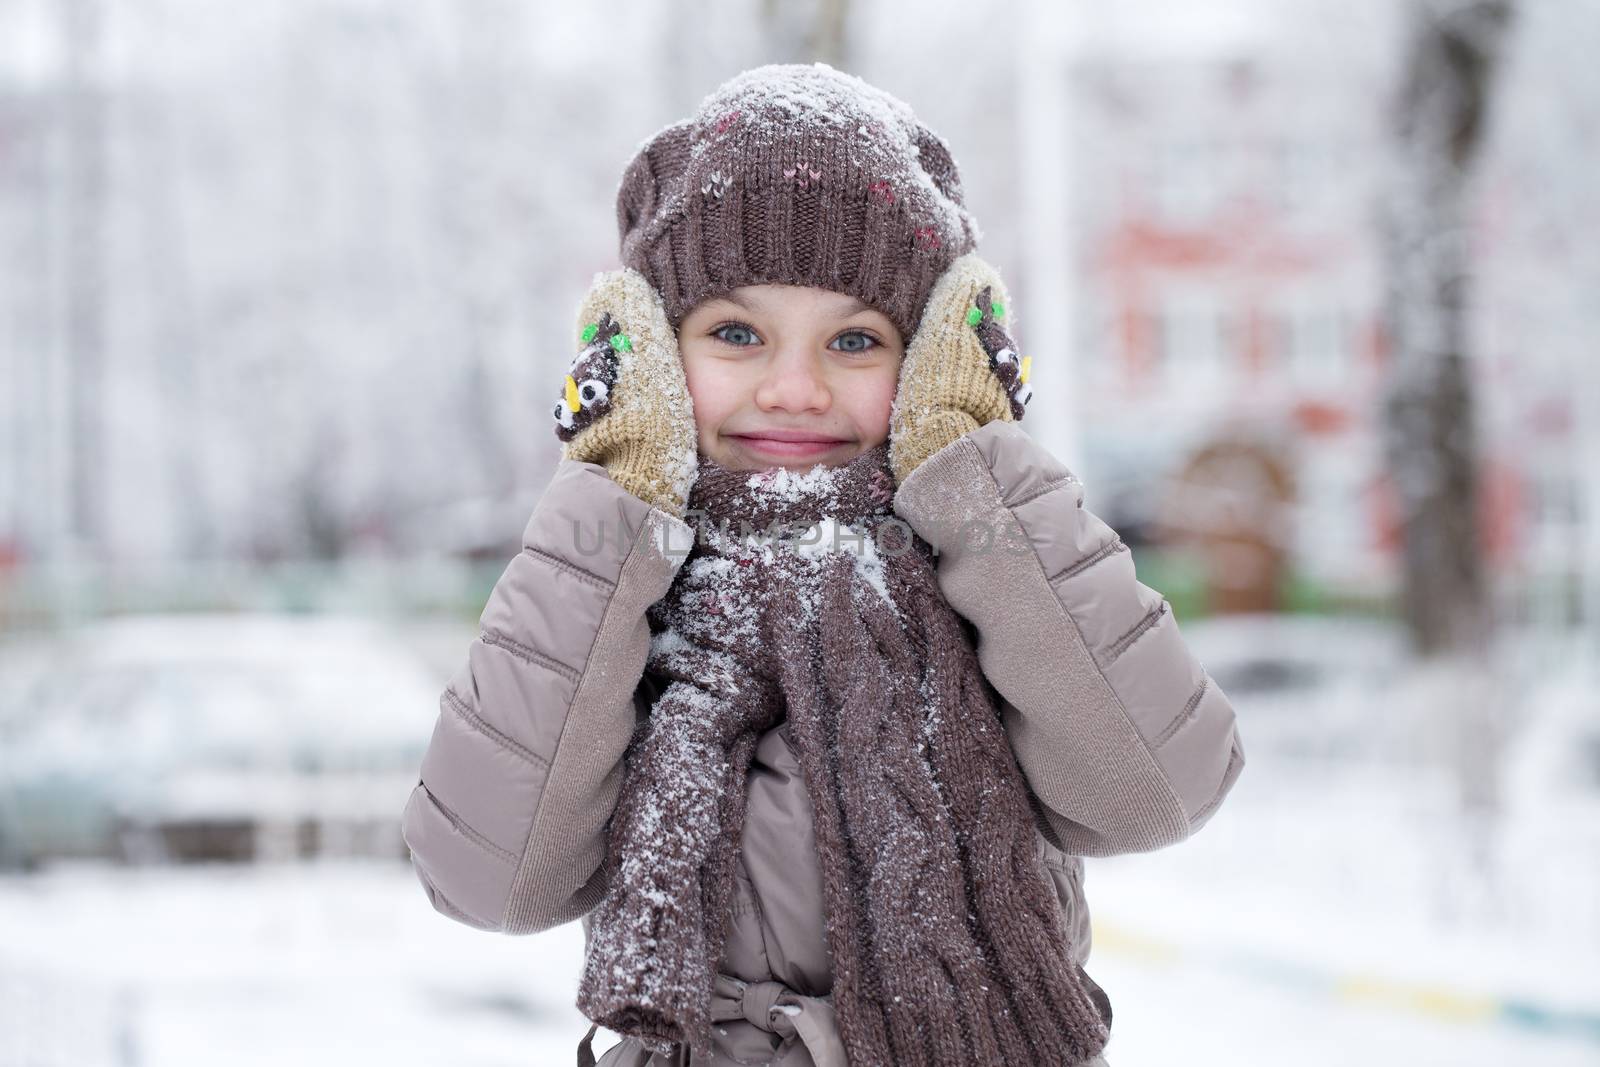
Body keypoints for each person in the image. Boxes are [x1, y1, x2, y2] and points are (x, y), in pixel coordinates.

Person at [400, 62, 1246, 1067]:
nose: (793, 387)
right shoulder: (621, 583)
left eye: (855, 338)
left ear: (931, 355)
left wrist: (972, 473)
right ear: (655, 354)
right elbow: (488, 876)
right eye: (734, 333)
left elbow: (1157, 789)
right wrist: (617, 495)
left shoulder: (990, 560)